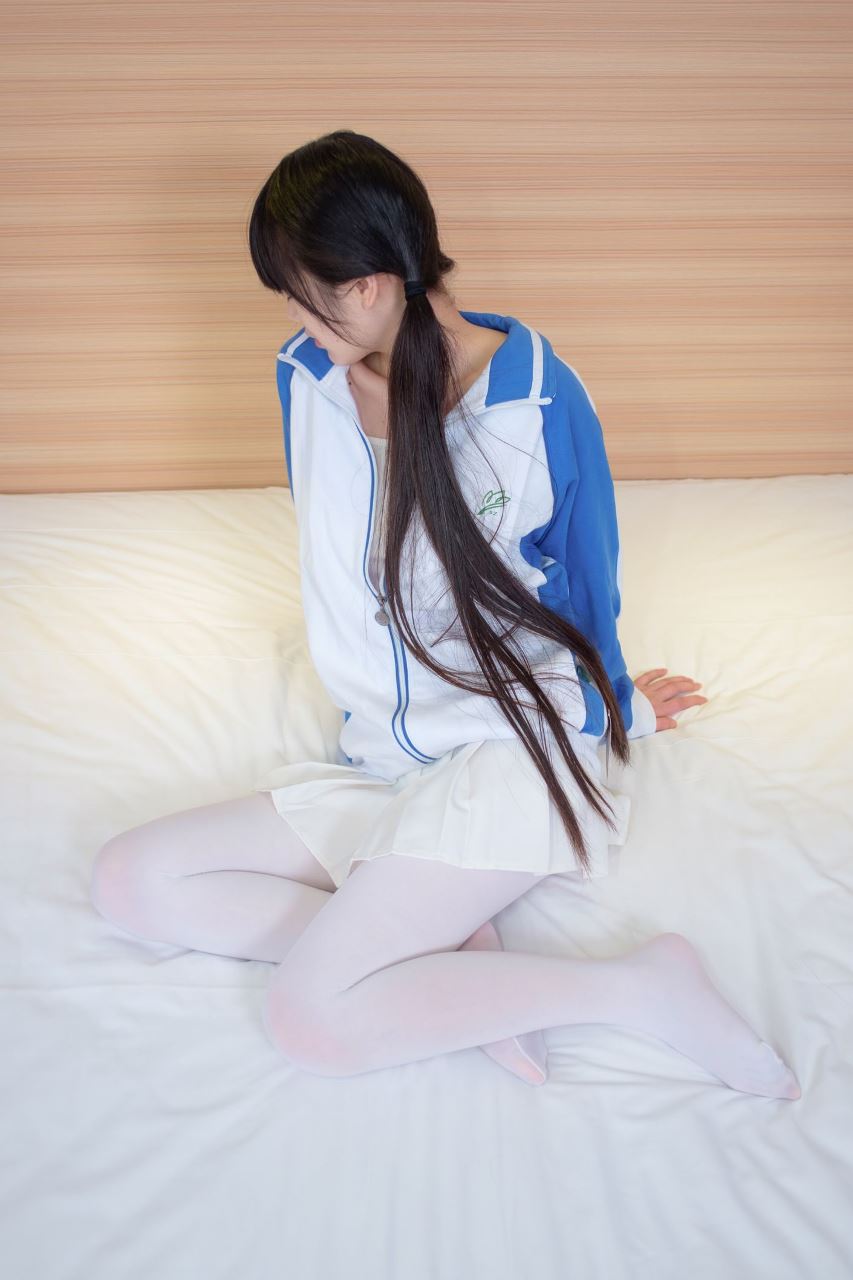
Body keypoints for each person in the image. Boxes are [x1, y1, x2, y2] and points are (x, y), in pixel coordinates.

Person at [89, 130, 800, 1100]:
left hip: (509, 753)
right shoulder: (306, 378)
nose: (290, 314)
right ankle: (444, 951)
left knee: (310, 1018)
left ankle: (637, 987)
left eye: (299, 291)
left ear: (369, 286)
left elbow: (586, 582)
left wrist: (615, 703)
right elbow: (350, 568)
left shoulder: (535, 401)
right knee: (129, 881)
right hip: (386, 758)